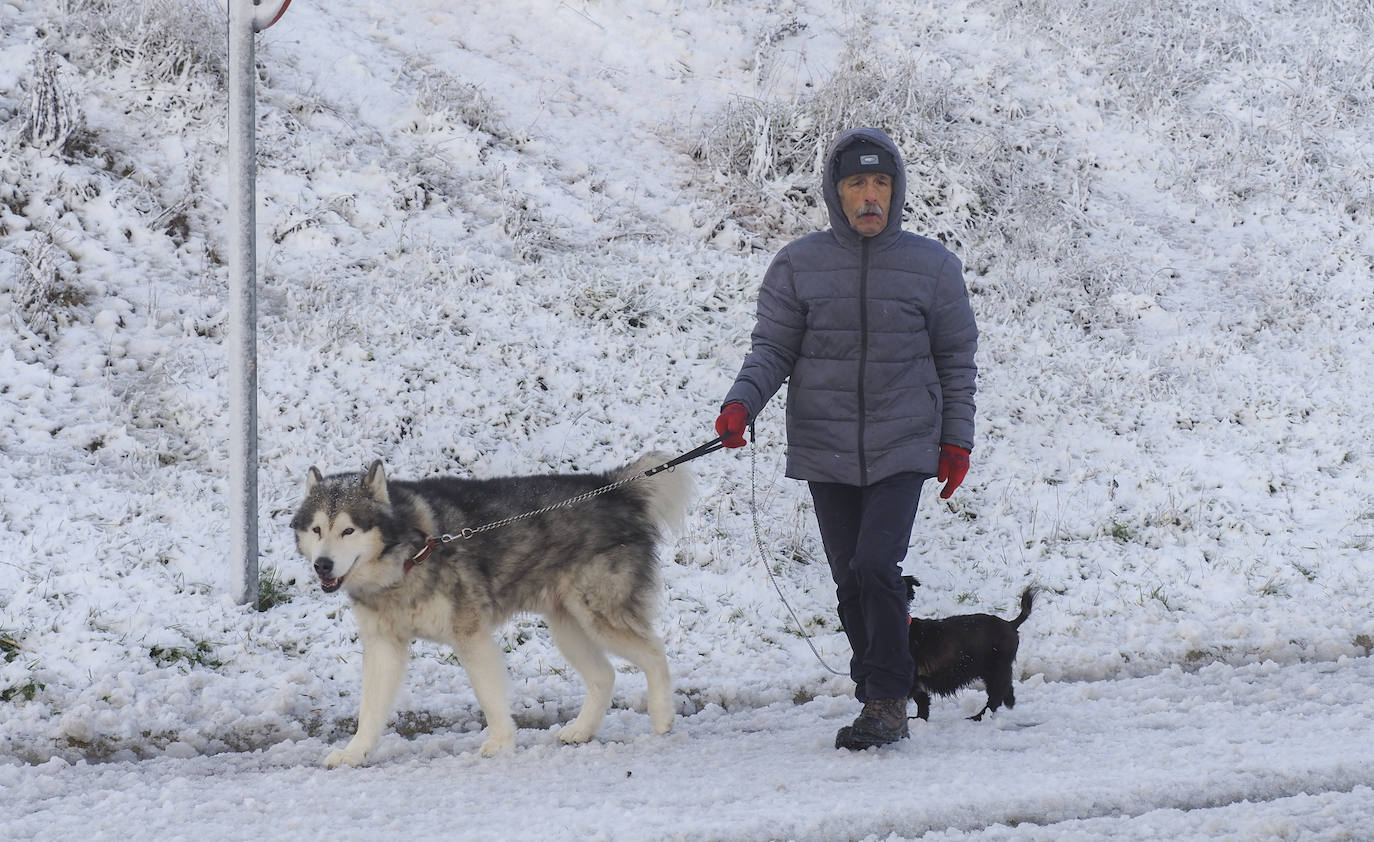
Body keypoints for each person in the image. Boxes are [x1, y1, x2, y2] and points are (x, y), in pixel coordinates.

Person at [715, 127, 978, 750]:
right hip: (825, 445)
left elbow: (956, 360)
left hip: (905, 441)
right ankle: (881, 683)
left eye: (880, 182)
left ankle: (886, 700)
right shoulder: (799, 265)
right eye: (856, 183)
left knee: (874, 565)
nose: (869, 196)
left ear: (897, 190)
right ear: (836, 193)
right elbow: (773, 348)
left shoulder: (933, 268)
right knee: (850, 582)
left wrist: (956, 441)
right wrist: (740, 404)